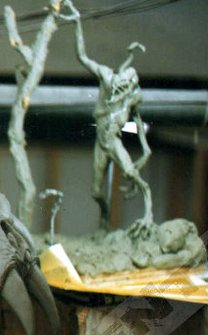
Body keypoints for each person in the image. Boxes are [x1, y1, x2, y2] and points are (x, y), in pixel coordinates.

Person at [61, 1, 153, 237]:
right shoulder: (106, 77)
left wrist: (145, 149)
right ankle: (104, 220)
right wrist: (77, 22)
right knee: (95, 191)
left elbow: (139, 122)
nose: (124, 88)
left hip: (114, 141)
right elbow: (82, 56)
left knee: (133, 175)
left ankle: (148, 215)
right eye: (122, 84)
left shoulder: (131, 98)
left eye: (128, 85)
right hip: (100, 142)